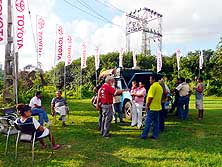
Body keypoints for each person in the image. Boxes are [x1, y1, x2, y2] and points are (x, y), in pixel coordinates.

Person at [140, 75, 163, 139]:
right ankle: (155, 135)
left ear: (154, 79)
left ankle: (144, 135)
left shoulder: (153, 87)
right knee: (156, 122)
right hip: (158, 107)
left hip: (152, 107)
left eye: (150, 79)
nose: (149, 80)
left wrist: (147, 106)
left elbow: (150, 97)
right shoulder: (160, 86)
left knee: (148, 122)